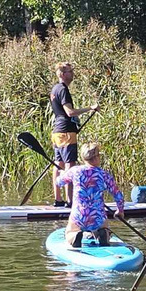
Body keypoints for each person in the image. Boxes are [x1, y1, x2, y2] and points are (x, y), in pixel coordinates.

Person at [54, 142, 125, 247]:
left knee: (69, 232)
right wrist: (120, 210)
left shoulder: (75, 171)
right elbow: (118, 196)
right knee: (103, 226)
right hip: (97, 217)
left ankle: (75, 235)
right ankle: (103, 233)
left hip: (79, 216)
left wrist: (63, 173)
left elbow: (59, 182)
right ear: (96, 157)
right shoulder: (104, 174)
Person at [50, 62, 99, 206]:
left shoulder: (55, 89)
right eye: (70, 71)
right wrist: (90, 108)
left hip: (57, 132)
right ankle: (70, 202)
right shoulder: (63, 89)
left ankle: (58, 200)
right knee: (69, 166)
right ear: (63, 74)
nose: (72, 74)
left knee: (57, 164)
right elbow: (69, 112)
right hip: (66, 132)